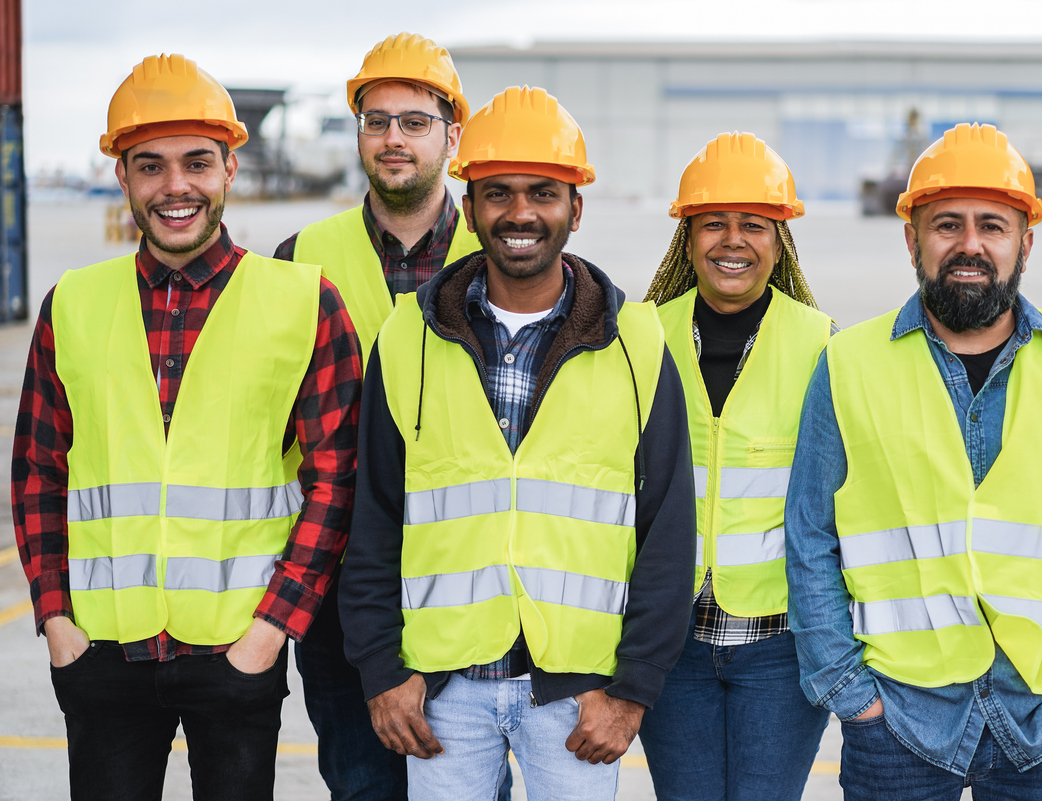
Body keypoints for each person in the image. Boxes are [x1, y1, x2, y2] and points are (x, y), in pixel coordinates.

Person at [10, 54, 360, 800]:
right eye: (151, 165)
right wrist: (57, 620)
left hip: (237, 648)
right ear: (124, 178)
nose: (176, 186)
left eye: (197, 162)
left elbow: (336, 476)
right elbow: (39, 467)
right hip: (102, 650)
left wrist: (272, 630)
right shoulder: (72, 302)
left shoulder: (303, 300)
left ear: (230, 168)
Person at [339, 85, 696, 800]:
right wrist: (382, 671)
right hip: (442, 694)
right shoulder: (407, 336)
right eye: (497, 193)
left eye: (543, 192)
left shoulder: (638, 344)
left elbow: (667, 535)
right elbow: (373, 517)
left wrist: (629, 693)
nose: (521, 212)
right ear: (469, 209)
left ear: (575, 208)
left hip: (577, 698)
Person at [784, 122, 1042, 801]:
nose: (969, 244)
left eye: (992, 225)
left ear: (1025, 241)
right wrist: (848, 694)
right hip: (896, 717)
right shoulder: (847, 364)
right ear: (911, 239)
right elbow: (809, 537)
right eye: (945, 224)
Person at [272, 33, 481, 801]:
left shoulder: (504, 255)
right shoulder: (297, 259)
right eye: (377, 120)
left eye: (415, 121)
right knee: (361, 786)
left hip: (471, 580)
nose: (393, 138)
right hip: (337, 585)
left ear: (452, 136)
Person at [638, 132, 831, 800]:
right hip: (669, 644)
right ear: (686, 236)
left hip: (779, 649)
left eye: (753, 224)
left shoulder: (819, 342)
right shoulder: (640, 337)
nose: (732, 240)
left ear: (779, 240)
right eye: (713, 222)